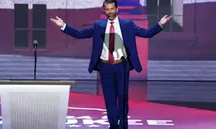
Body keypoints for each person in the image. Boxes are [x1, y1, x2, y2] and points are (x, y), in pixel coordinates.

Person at [50, 0, 172, 129]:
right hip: (105, 67)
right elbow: (80, 34)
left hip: (122, 66)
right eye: (107, 9)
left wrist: (160, 24)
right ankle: (113, 125)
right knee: (110, 99)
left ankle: (123, 125)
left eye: (112, 9)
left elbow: (146, 33)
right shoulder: (98, 25)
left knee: (123, 97)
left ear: (117, 9)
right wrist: (63, 26)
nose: (110, 12)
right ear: (104, 10)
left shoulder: (127, 25)